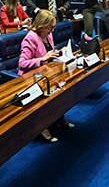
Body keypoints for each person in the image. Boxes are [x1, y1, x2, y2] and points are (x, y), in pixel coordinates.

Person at [18, 10, 74, 143]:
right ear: (41, 25)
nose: (52, 30)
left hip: (46, 72)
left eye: (54, 27)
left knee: (64, 88)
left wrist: (59, 53)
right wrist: (43, 58)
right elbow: (22, 63)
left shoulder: (48, 35)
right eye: (50, 27)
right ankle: (42, 127)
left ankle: (59, 116)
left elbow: (49, 54)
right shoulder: (30, 37)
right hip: (30, 77)